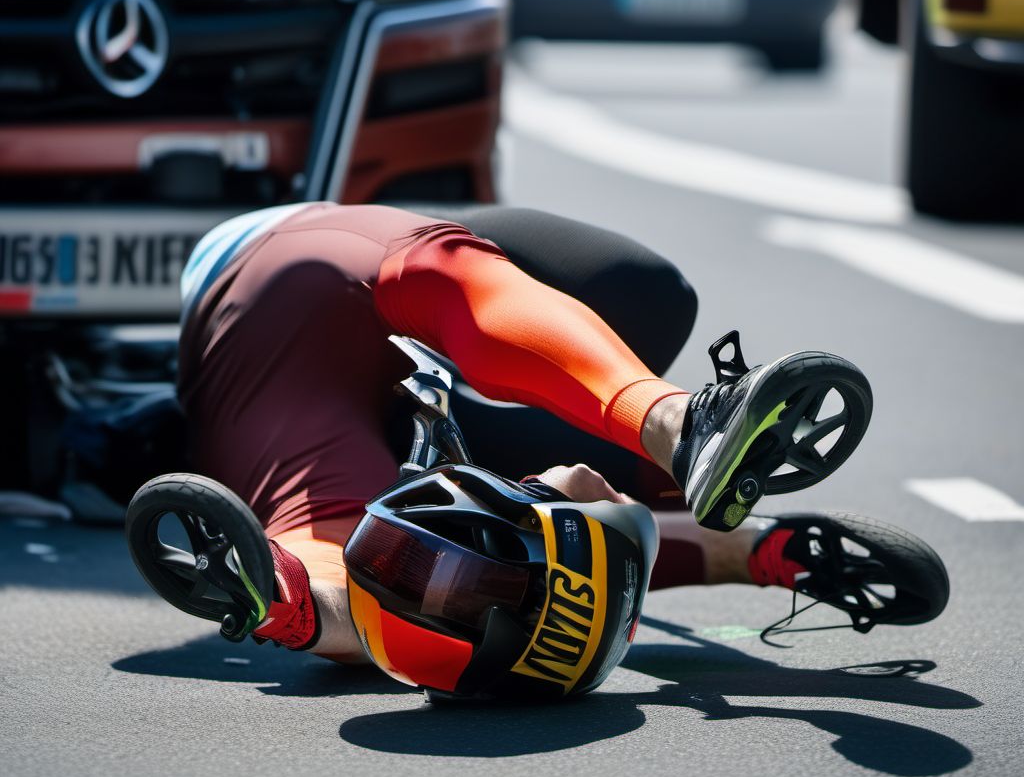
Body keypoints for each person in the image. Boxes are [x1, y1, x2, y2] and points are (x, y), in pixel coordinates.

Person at [164, 202, 881, 669]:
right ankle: (677, 423)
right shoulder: (595, 490)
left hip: (263, 276)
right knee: (644, 303)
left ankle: (676, 419)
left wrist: (288, 609)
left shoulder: (310, 448)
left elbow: (331, 590)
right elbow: (609, 548)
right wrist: (763, 552)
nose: (592, 508)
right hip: (450, 407)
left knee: (465, 280)